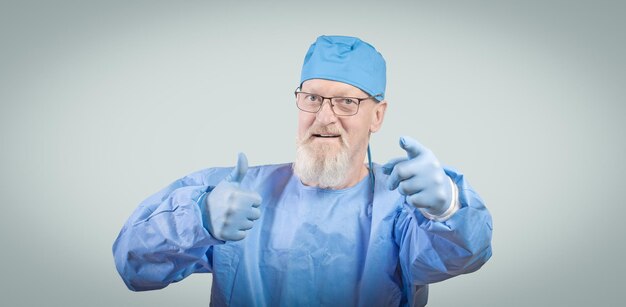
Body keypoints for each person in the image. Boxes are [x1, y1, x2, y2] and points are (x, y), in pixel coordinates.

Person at [113, 35, 493, 307]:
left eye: (346, 102)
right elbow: (134, 265)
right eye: (312, 98)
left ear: (377, 115)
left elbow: (462, 257)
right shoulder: (234, 194)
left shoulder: (400, 206)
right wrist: (199, 219)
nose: (324, 117)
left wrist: (447, 211)